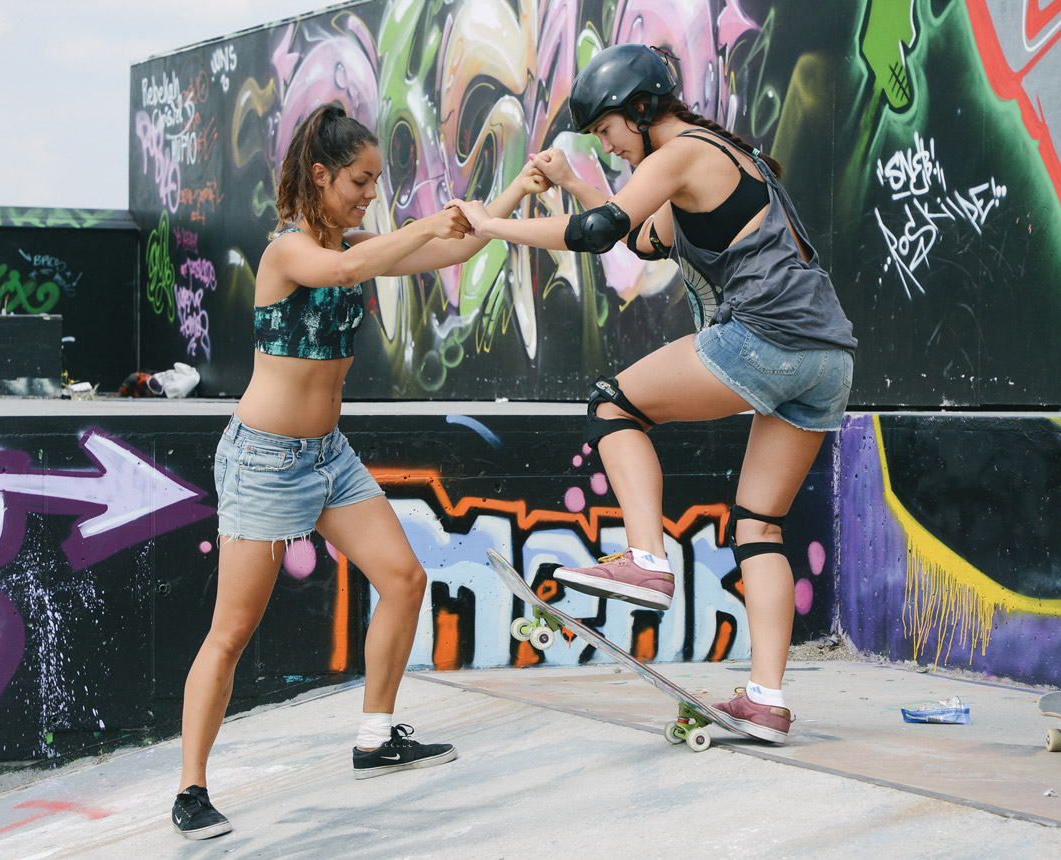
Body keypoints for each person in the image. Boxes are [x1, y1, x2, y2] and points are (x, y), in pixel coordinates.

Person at [454, 44, 856, 745]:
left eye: (608, 130)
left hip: (764, 336)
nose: (606, 145)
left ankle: (646, 557)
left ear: (641, 109)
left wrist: (491, 225)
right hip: (827, 360)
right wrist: (576, 182)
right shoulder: (715, 159)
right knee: (758, 524)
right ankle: (766, 698)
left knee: (612, 403)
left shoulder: (680, 152)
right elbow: (641, 239)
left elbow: (595, 234)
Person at [171, 102, 549, 840]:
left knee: (404, 580)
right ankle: (190, 789)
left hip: (328, 457)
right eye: (360, 181)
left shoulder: (358, 244)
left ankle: (376, 738)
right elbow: (345, 269)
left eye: (376, 182)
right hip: (265, 461)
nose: (371, 194)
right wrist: (425, 225)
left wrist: (514, 194)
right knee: (232, 632)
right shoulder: (288, 253)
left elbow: (456, 249)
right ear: (320, 175)